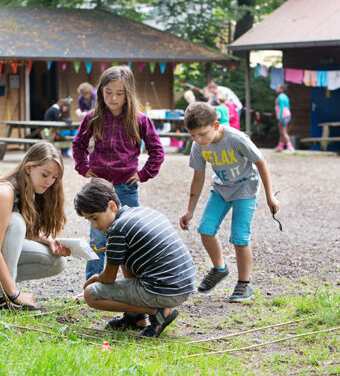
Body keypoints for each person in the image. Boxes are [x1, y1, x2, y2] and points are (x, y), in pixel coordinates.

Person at [72, 65, 164, 298]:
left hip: (126, 187)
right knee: (98, 238)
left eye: (119, 93)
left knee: (130, 237)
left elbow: (156, 151)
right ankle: (90, 287)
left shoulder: (140, 120)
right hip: (98, 188)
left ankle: (132, 286)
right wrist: (84, 168)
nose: (113, 98)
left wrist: (144, 174)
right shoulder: (93, 118)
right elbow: (78, 146)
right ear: (100, 92)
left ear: (128, 93)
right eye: (108, 92)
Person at [179, 102, 279, 302]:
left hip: (245, 188)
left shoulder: (236, 139)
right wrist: (190, 210)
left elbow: (261, 162)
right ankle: (219, 268)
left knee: (239, 238)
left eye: (202, 134)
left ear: (215, 126)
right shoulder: (199, 146)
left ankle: (244, 284)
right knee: (205, 229)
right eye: (193, 135)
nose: (198, 140)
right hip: (221, 188)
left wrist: (270, 195)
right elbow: (198, 178)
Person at [74, 178, 195, 337]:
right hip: (183, 284)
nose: (95, 226)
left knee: (91, 294)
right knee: (125, 258)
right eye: (89, 220)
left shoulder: (117, 229)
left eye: (95, 218)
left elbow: (108, 278)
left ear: (112, 206)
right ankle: (135, 317)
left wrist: (95, 278)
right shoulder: (142, 212)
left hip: (165, 289)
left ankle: (158, 312)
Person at [0, 142, 70, 311]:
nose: (49, 182)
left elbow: (11, 237)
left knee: (56, 262)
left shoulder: (32, 190)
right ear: (28, 168)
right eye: (45, 174)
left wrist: (45, 239)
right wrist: (15, 294)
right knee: (16, 221)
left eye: (54, 177)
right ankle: (6, 299)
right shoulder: (5, 192)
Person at [274, 84, 294, 153]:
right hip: (287, 115)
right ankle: (280, 147)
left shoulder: (280, 97)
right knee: (282, 132)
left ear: (281, 89)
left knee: (284, 132)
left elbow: (281, 107)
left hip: (283, 115)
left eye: (278, 88)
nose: (276, 89)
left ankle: (290, 147)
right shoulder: (286, 96)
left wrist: (280, 117)